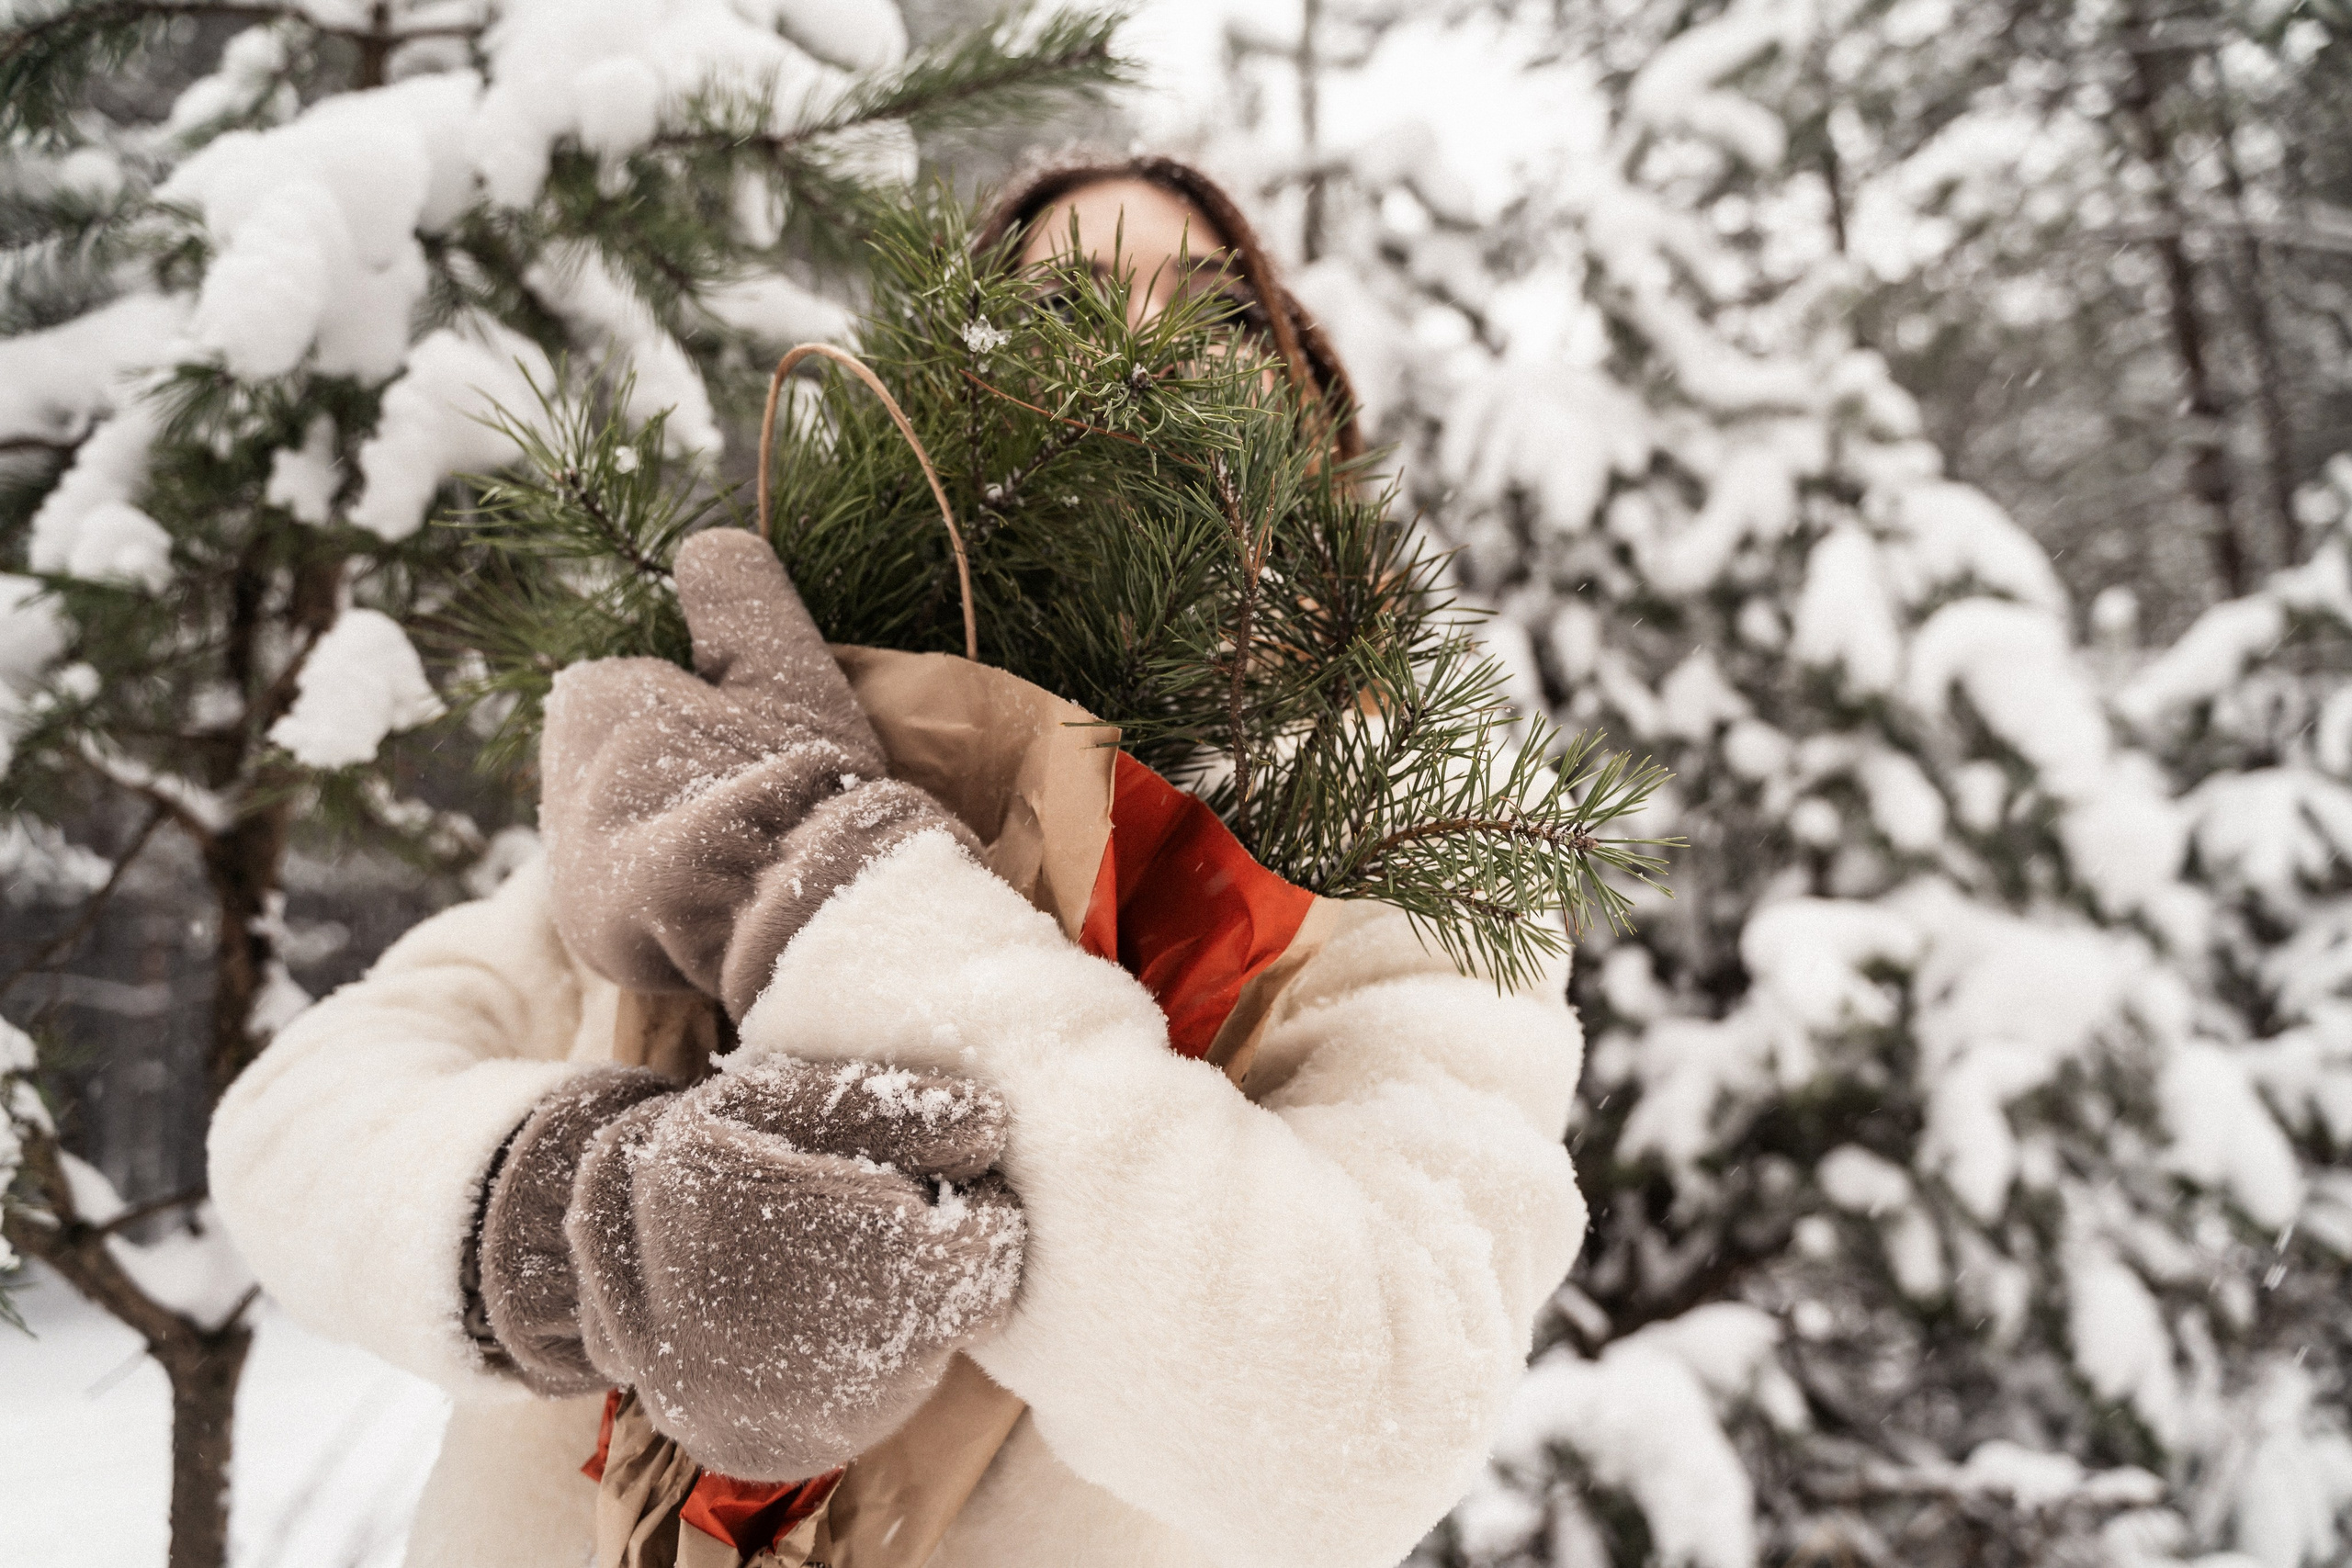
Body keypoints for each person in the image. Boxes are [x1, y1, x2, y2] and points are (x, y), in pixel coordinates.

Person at [209, 155, 1587, 1568]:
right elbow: (294, 1120)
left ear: (1301, 413)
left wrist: (830, 886)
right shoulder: (769, 734)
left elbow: (1376, 1412)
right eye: (1066, 305)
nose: (1142, 348)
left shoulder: (1419, 838)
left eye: (1212, 310)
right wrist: (589, 1236)